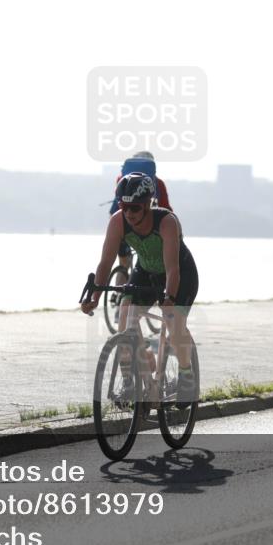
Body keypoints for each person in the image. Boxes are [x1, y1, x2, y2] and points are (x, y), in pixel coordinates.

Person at [83, 173, 198, 405]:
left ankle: (187, 376)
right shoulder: (118, 221)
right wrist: (94, 296)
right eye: (124, 207)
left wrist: (170, 298)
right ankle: (132, 382)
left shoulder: (167, 222)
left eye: (135, 208)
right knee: (125, 323)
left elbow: (173, 269)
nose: (129, 214)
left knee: (173, 320)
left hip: (180, 273)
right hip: (146, 272)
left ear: (148, 204)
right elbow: (105, 263)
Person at [108, 152, 172, 283]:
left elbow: (117, 206)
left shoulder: (122, 179)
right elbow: (167, 210)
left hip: (120, 223)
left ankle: (117, 293)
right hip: (145, 226)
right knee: (146, 258)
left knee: (123, 262)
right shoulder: (157, 183)